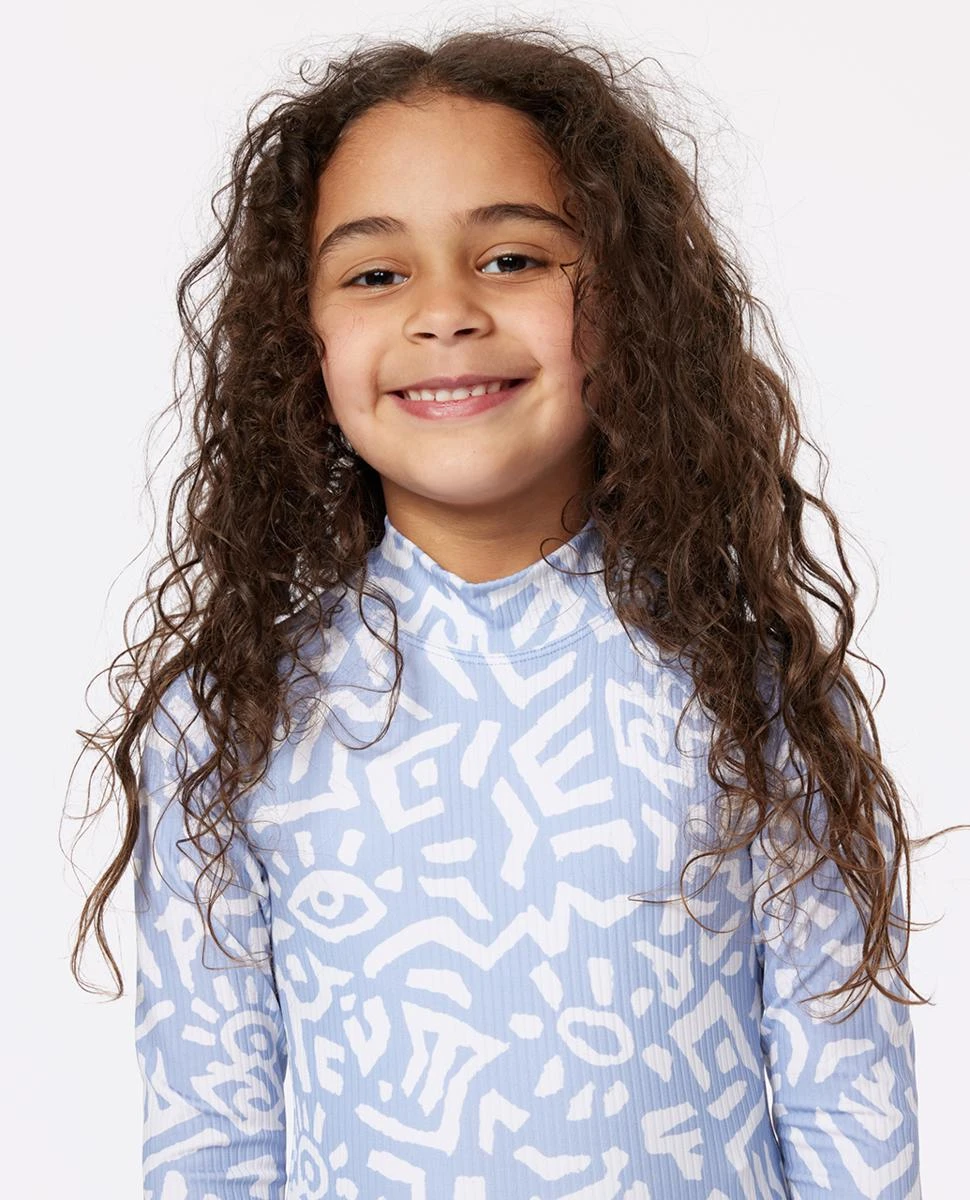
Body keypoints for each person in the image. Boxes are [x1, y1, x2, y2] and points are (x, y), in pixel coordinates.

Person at [65, 22, 964, 1200]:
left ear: (628, 303)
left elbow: (851, 1120)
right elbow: (212, 1142)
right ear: (302, 343)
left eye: (511, 259)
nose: (444, 312)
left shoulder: (753, 696)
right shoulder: (229, 721)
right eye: (375, 274)